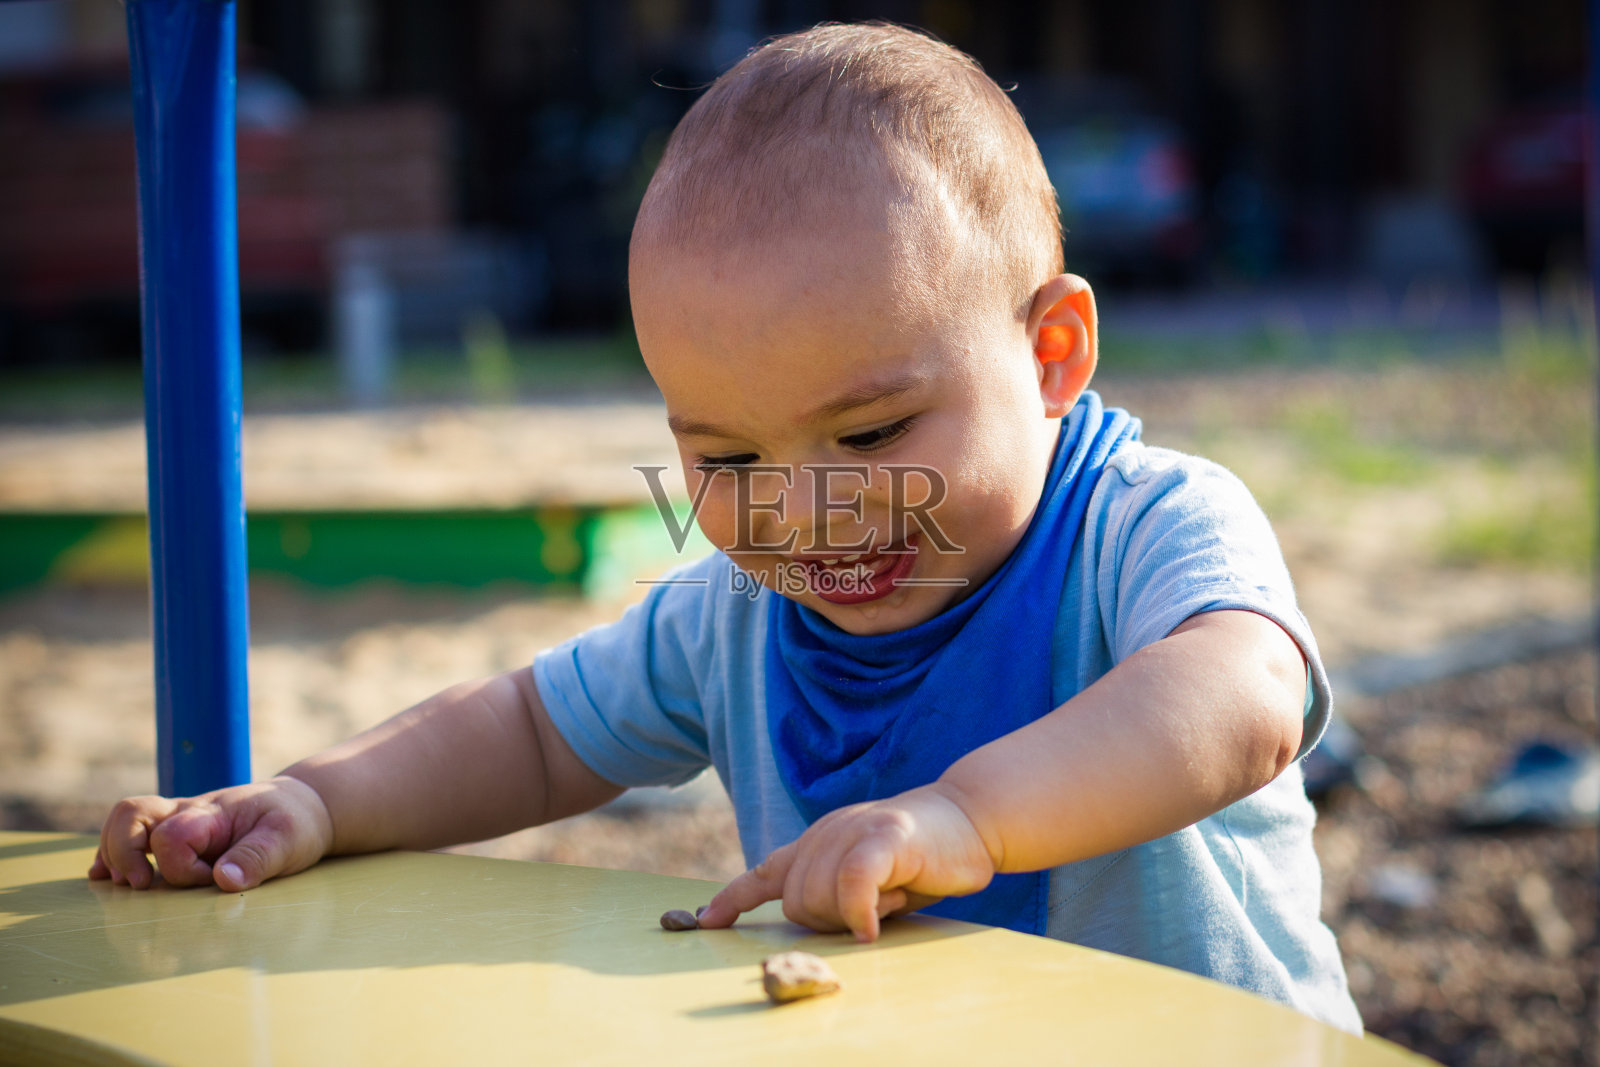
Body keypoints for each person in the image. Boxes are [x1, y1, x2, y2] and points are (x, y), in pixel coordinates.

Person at [91, 22, 1361, 1032]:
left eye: (868, 437)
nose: (801, 510)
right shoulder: (739, 615)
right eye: (728, 453)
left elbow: (1238, 698)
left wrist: (965, 818)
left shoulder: (1140, 527)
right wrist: (317, 798)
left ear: (1050, 354)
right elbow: (531, 730)